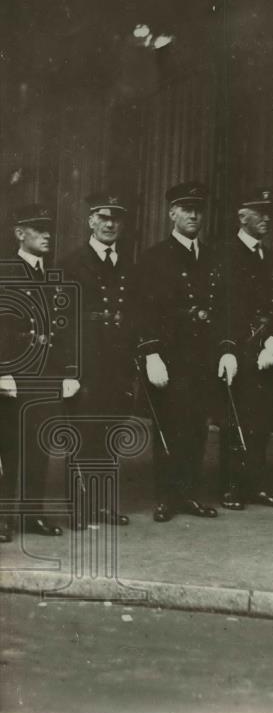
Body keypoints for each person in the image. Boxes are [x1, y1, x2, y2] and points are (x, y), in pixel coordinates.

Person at [135, 181, 235, 523]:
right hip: (170, 358)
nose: (194, 215)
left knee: (196, 428)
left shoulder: (212, 257)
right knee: (170, 426)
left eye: (198, 210)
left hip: (203, 358)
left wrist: (226, 350)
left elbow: (222, 309)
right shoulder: (154, 258)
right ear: (171, 213)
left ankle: (189, 493)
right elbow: (144, 311)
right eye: (186, 209)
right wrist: (151, 354)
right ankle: (166, 496)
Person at [59, 192, 136, 529]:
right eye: (103, 218)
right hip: (86, 365)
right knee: (83, 436)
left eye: (116, 218)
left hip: (117, 365)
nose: (110, 224)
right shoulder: (71, 263)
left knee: (110, 435)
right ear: (90, 220)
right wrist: (71, 371)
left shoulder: (127, 264)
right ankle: (78, 508)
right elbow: (63, 322)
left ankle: (103, 506)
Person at [0, 204, 77, 539]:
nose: (47, 235)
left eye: (49, 229)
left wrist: (66, 374)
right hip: (13, 376)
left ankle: (32, 515)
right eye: (38, 228)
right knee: (8, 449)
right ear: (20, 233)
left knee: (38, 448)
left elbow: (63, 330)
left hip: (45, 375)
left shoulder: (53, 275)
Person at [215, 187, 273, 511]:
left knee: (261, 421)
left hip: (265, 351)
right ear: (242, 217)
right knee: (234, 420)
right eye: (259, 212)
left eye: (268, 212)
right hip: (237, 350)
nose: (266, 218)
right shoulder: (224, 254)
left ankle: (257, 484)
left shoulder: (272, 259)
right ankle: (231, 485)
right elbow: (221, 308)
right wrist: (228, 348)